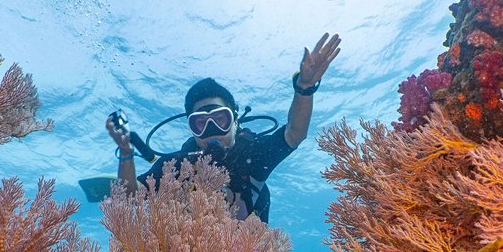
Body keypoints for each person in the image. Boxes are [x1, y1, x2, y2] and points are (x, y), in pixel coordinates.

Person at [106, 33, 341, 223]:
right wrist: (126, 154)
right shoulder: (175, 167)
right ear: (192, 129)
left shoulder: (254, 155)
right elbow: (131, 196)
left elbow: (294, 133)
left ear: (235, 121)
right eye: (200, 123)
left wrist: (304, 88)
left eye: (220, 119)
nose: (211, 130)